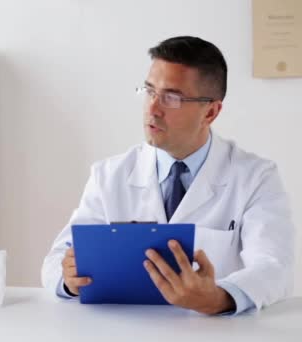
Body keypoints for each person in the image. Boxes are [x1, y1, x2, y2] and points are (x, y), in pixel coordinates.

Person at [41, 36, 295, 315]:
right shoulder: (109, 175)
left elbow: (274, 267)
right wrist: (68, 280)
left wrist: (220, 298)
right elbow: (56, 261)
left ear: (210, 111)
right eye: (149, 91)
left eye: (171, 98)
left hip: (210, 333)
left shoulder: (256, 177)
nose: (152, 108)